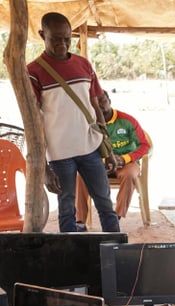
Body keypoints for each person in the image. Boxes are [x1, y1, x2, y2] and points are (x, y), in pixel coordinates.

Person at [27, 12, 119, 233]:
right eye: (55, 38)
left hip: (90, 148)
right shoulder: (33, 71)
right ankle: (71, 258)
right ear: (42, 35)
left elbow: (96, 107)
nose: (62, 44)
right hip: (59, 155)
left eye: (67, 38)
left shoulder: (84, 65)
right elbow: (34, 121)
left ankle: (117, 253)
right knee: (67, 208)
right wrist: (44, 169)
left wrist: (107, 148)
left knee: (105, 204)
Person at [75, 91, 150, 226]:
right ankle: (80, 221)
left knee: (130, 174)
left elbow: (145, 145)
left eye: (102, 100)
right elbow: (83, 147)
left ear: (110, 101)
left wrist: (125, 158)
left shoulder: (127, 120)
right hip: (100, 164)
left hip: (126, 163)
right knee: (81, 175)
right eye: (95, 103)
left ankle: (117, 217)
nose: (100, 105)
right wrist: (102, 161)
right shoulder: (89, 123)